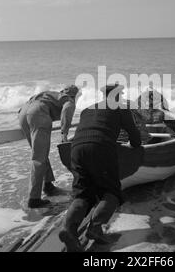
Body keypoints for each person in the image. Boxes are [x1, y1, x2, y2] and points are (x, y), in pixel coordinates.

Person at [58, 83, 141, 252]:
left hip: (76, 149)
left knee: (83, 193)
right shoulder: (120, 108)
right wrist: (134, 146)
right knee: (111, 192)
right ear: (117, 95)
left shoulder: (88, 109)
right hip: (100, 148)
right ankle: (95, 228)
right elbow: (135, 138)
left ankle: (68, 229)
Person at [18, 85, 80, 208]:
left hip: (23, 112)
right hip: (38, 113)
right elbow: (67, 110)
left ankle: (48, 185)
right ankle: (34, 199)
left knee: (39, 153)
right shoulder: (69, 99)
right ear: (74, 95)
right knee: (39, 158)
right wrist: (64, 132)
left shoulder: (51, 94)